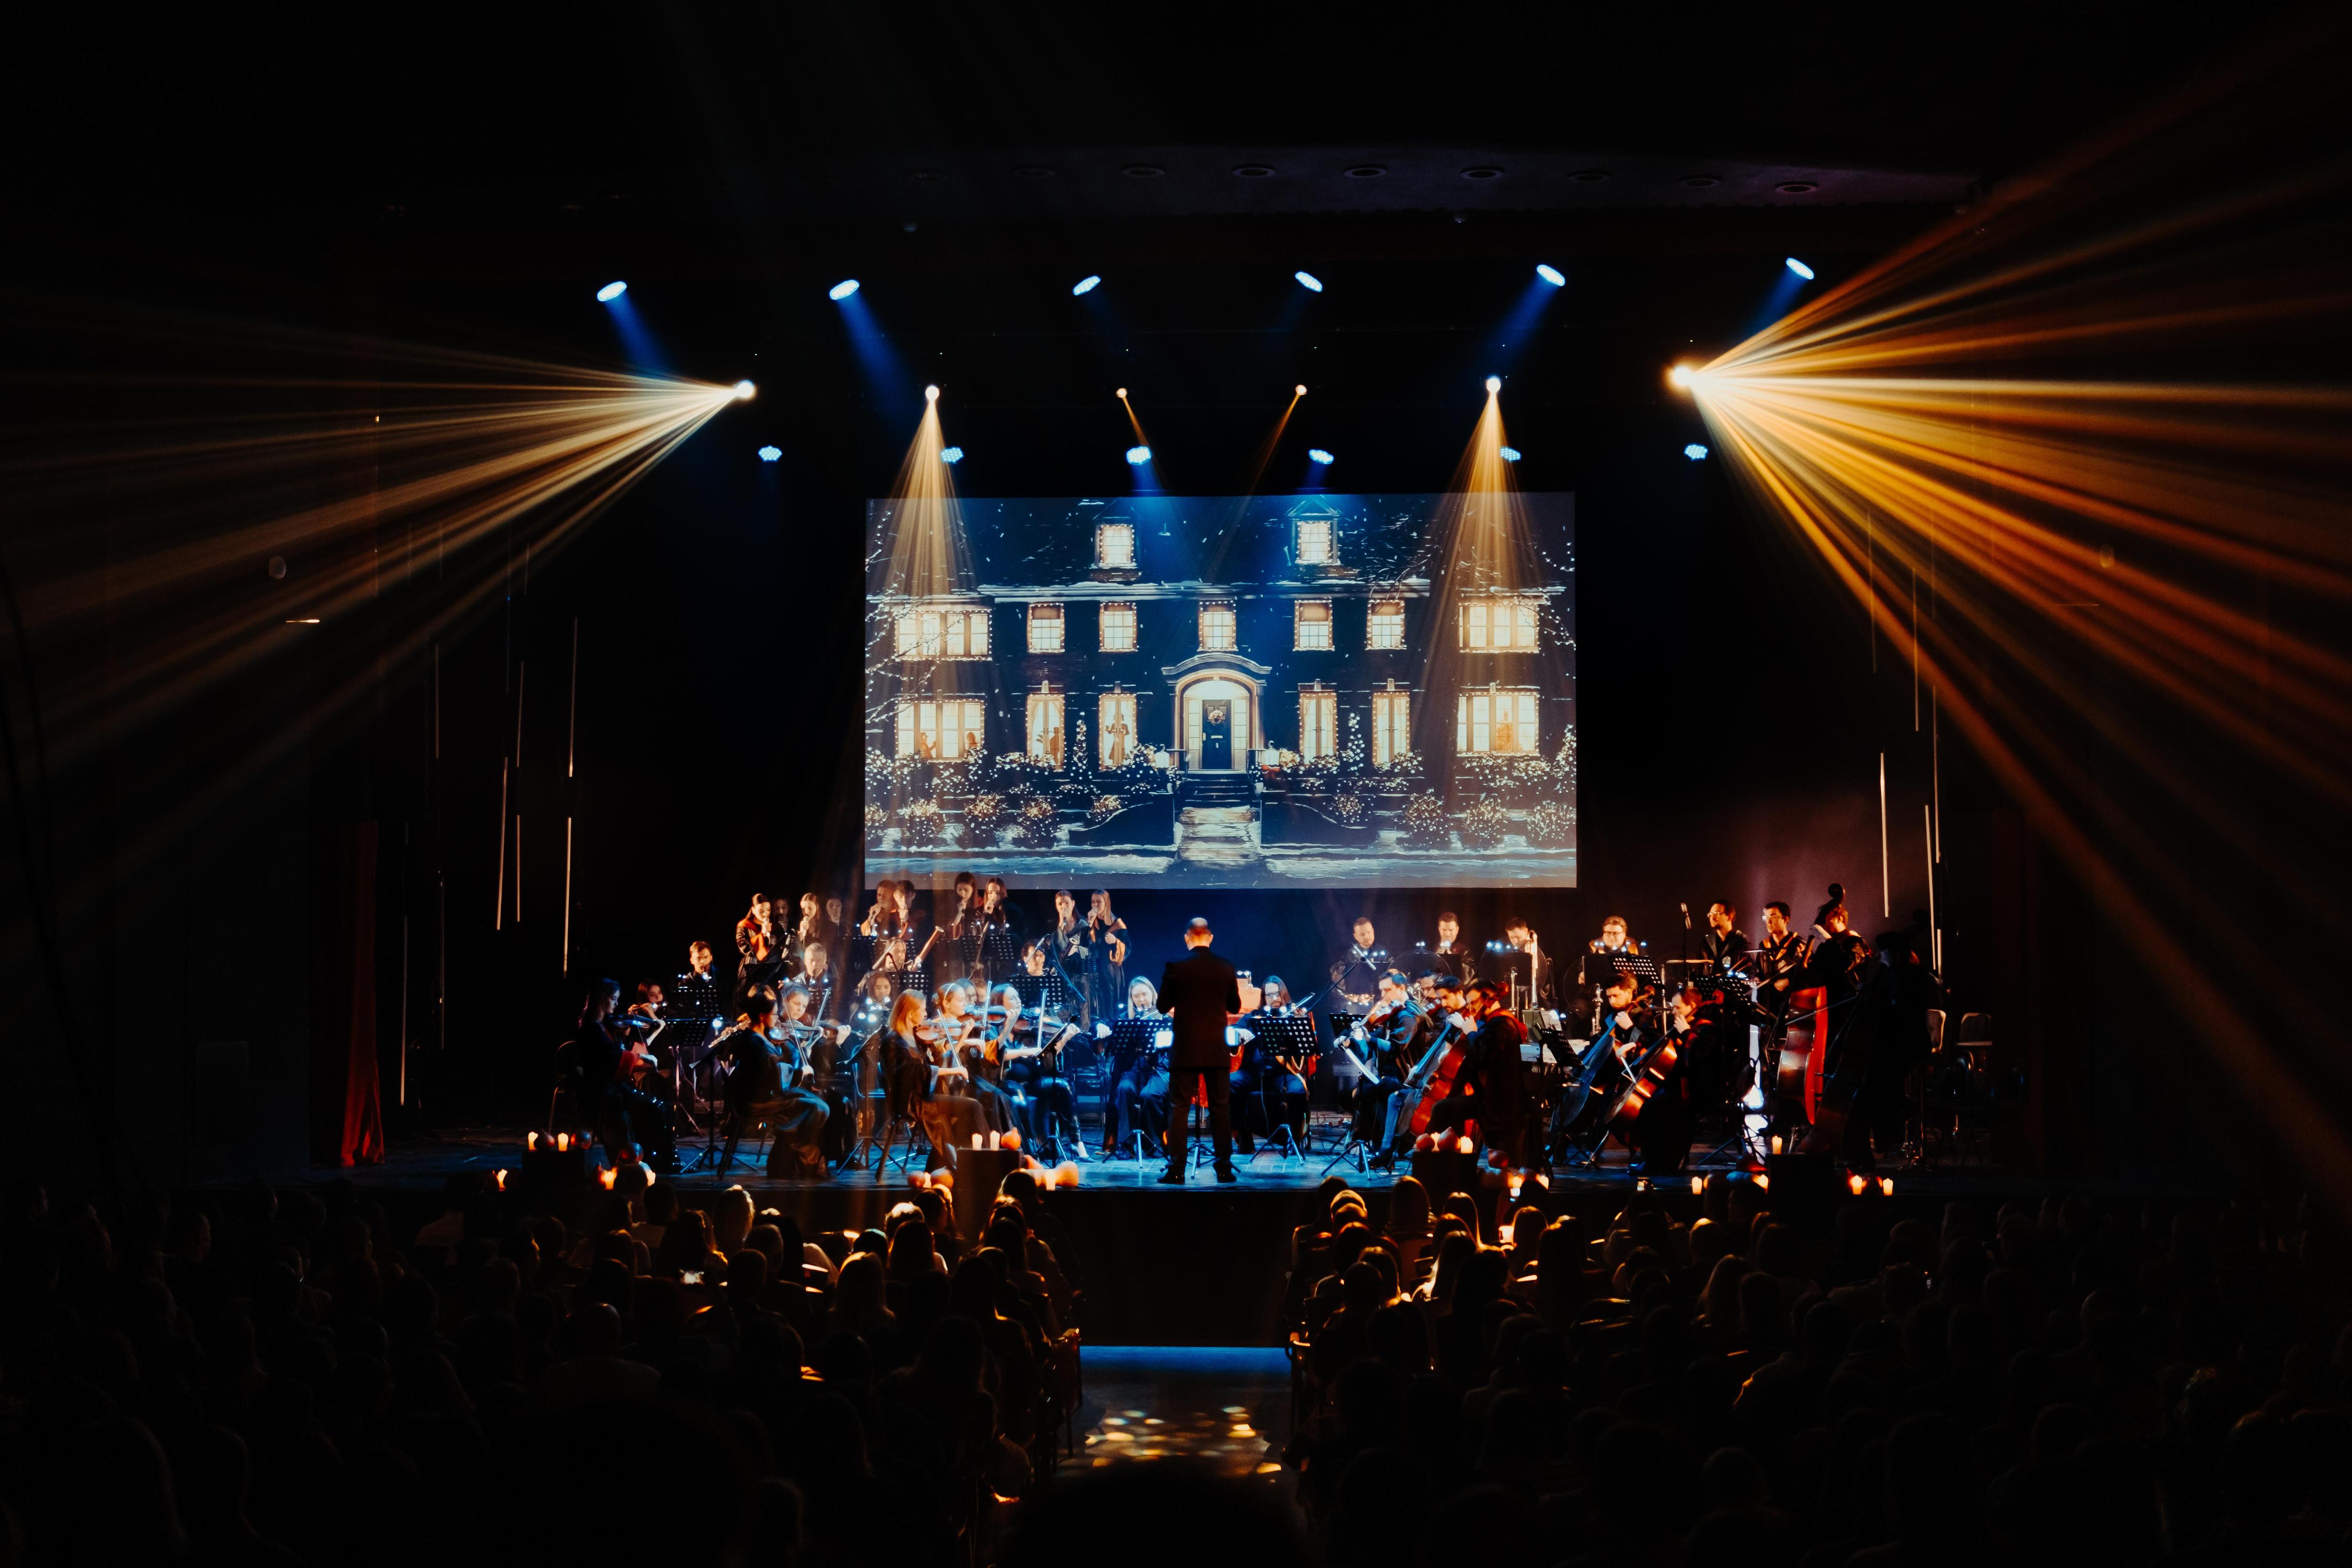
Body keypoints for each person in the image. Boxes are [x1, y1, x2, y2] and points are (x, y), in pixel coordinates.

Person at [1157, 917, 1242, 1184]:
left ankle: (1177, 1170)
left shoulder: (1176, 966)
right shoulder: (1225, 966)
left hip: (1185, 1049)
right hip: (1216, 1050)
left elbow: (1161, 1006)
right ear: (1211, 937)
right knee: (1221, 1109)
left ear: (1187, 938)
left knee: (1179, 1108)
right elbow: (1234, 1006)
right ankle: (1224, 1169)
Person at [715, 995, 829, 1178]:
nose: (778, 1018)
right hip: (758, 1101)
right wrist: (800, 1073)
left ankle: (790, 1159)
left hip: (767, 1094)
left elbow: (774, 1072)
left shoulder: (759, 1038)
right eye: (775, 1014)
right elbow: (771, 1079)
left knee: (820, 1105)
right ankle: (788, 1161)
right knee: (816, 1108)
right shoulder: (753, 1043)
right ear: (762, 1016)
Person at [572, 979, 675, 1169]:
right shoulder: (591, 1029)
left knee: (659, 1107)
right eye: (613, 999)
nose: (617, 1003)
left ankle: (656, 1157)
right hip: (605, 1089)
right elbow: (612, 1058)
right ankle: (657, 1160)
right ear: (601, 998)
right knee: (656, 1109)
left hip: (615, 1086)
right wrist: (639, 1057)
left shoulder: (602, 1025)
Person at [988, 981, 1088, 1159]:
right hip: (1009, 1082)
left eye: (1018, 997)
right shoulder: (993, 1030)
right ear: (1000, 1004)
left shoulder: (1028, 1028)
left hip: (1033, 1080)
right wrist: (1022, 1050)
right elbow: (996, 1053)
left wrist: (1065, 1038)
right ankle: (1029, 1149)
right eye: (1013, 998)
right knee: (1020, 1102)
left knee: (1063, 1086)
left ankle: (1077, 1142)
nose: (1019, 1001)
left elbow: (1047, 1055)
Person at [1344, 969, 1429, 1159]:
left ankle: (1383, 1144)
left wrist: (1370, 1039)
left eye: (1388, 990)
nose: (1383, 996)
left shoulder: (1408, 1016)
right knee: (1359, 1091)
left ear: (1402, 988)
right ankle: (1373, 1141)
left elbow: (1396, 1047)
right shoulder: (1394, 1013)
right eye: (1382, 991)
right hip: (1390, 1073)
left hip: (1405, 1076)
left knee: (1370, 1092)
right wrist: (1354, 1040)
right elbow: (1376, 1039)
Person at [1233, 975, 1309, 1154]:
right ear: (1264, 997)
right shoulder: (1254, 1017)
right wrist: (1239, 1031)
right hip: (1253, 1074)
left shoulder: (1293, 1016)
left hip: (1283, 1073)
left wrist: (1300, 1022)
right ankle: (1244, 1138)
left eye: (1277, 994)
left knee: (1297, 1091)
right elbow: (1232, 1028)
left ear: (1284, 994)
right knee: (1228, 1083)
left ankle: (1294, 1140)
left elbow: (1304, 1050)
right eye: (1269, 995)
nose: (1274, 998)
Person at [1105, 977, 1169, 1157]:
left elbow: (1171, 1053)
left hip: (1159, 1069)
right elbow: (1105, 1027)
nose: (1141, 1000)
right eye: (1136, 996)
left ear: (1153, 994)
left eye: (1145, 994)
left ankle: (1153, 1144)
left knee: (1149, 1094)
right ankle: (1125, 1145)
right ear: (1131, 999)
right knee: (1124, 1089)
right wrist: (1101, 1027)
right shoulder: (1126, 1020)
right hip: (1133, 1070)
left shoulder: (1165, 1019)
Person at [735, 891, 788, 997]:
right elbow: (745, 949)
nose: (765, 914)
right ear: (753, 910)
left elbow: (783, 949)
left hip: (772, 970)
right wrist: (762, 934)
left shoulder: (776, 926)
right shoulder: (744, 926)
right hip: (752, 969)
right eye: (761, 911)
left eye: (768, 910)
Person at [1329, 916, 1389, 1008]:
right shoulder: (1349, 955)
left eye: (1369, 932)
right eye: (1362, 934)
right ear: (1356, 936)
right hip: (1355, 1002)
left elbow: (1392, 971)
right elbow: (1337, 975)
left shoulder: (1383, 952)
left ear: (1373, 931)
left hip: (1379, 1000)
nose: (1367, 937)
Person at [1085, 890, 1128, 1015]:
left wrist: (1116, 942)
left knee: (1110, 1002)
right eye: (1093, 902)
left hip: (1110, 971)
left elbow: (1128, 948)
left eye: (1099, 902)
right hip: (1093, 971)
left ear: (1106, 903)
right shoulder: (1090, 924)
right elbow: (1083, 943)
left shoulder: (1118, 925)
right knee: (1095, 1003)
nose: (1096, 905)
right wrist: (1089, 924)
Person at [1501, 916, 1556, 1007]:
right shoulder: (1508, 952)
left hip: (1539, 996)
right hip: (1516, 998)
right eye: (1512, 937)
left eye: (1518, 937)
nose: (1515, 941)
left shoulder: (1536, 948)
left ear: (1526, 931)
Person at [1700, 901, 1751, 971]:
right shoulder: (1706, 943)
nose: (1712, 918)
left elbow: (1749, 970)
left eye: (1716, 913)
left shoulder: (1741, 942)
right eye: (1710, 914)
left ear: (1730, 916)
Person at [1428, 910, 1475, 983]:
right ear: (1439, 929)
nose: (1447, 934)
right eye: (1444, 930)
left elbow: (1468, 977)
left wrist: (1453, 961)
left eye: (1451, 930)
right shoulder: (1431, 949)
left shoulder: (1464, 952)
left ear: (1457, 930)